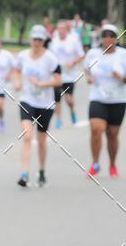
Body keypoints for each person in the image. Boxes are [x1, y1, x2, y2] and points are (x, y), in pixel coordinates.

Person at [13, 24, 62, 187]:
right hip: (27, 100)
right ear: (30, 39)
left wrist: (41, 83)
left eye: (40, 40)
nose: (37, 42)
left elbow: (58, 80)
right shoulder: (22, 56)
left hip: (45, 104)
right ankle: (24, 173)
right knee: (27, 136)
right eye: (35, 39)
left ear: (44, 41)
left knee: (41, 140)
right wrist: (17, 82)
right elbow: (16, 70)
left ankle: (41, 170)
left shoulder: (50, 58)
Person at [84, 24, 126, 177]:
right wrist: (88, 77)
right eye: (105, 36)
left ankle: (112, 164)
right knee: (97, 129)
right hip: (98, 98)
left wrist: (121, 77)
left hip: (118, 100)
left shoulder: (123, 55)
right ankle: (95, 163)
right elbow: (86, 69)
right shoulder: (93, 54)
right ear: (101, 38)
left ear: (116, 39)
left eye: (111, 36)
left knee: (112, 134)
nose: (108, 39)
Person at [50, 19, 84, 127]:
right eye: (59, 28)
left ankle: (72, 111)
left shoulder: (73, 40)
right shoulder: (54, 41)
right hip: (56, 75)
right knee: (57, 99)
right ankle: (58, 119)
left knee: (69, 99)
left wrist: (73, 62)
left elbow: (81, 55)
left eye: (63, 28)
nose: (61, 31)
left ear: (67, 29)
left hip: (69, 75)